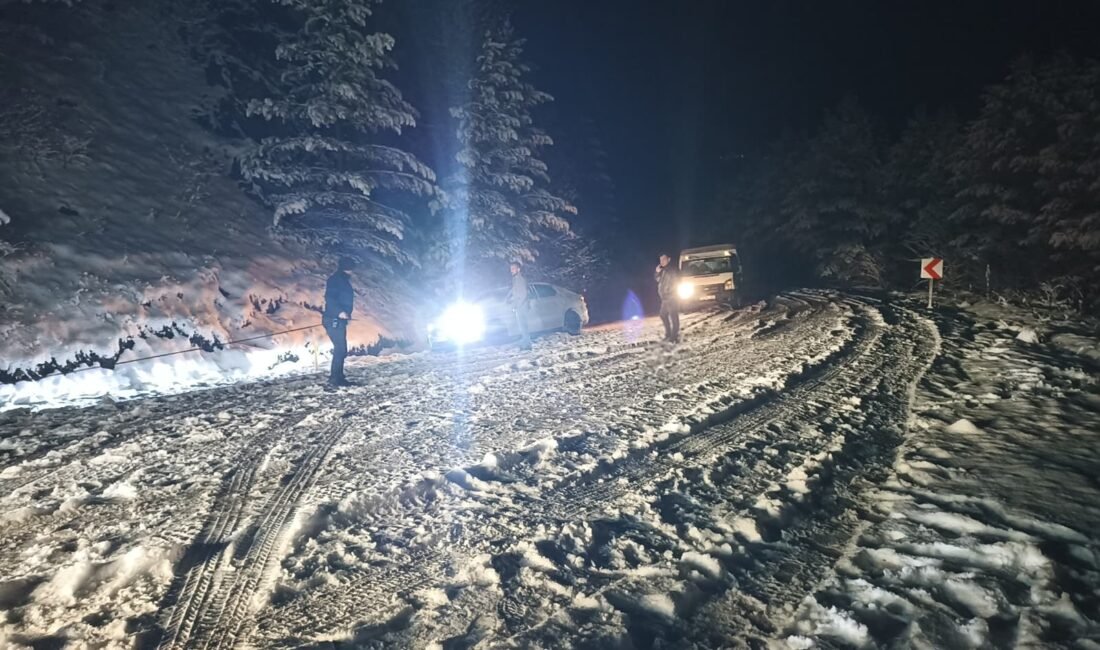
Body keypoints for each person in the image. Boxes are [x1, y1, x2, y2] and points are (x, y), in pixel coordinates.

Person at [323, 257, 355, 386]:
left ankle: (338, 377)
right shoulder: (336, 280)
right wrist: (339, 312)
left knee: (341, 349)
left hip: (339, 320)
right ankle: (335, 379)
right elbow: (330, 298)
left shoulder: (342, 280)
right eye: (351, 269)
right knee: (340, 349)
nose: (352, 272)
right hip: (333, 319)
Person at [655, 252, 680, 343]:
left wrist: (670, 292)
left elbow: (676, 282)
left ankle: (673, 337)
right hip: (665, 298)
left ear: (669, 259)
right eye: (660, 260)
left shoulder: (672, 269)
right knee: (663, 315)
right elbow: (658, 280)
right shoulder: (663, 270)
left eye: (664, 259)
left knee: (674, 317)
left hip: (671, 297)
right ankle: (669, 334)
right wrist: (657, 272)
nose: (662, 261)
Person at [508, 261, 532, 351]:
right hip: (520, 305)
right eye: (511, 269)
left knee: (523, 326)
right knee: (522, 326)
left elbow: (523, 294)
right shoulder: (515, 279)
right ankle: (526, 343)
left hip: (521, 306)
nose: (511, 270)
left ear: (518, 269)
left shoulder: (520, 279)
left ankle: (527, 345)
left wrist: (517, 305)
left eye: (513, 268)